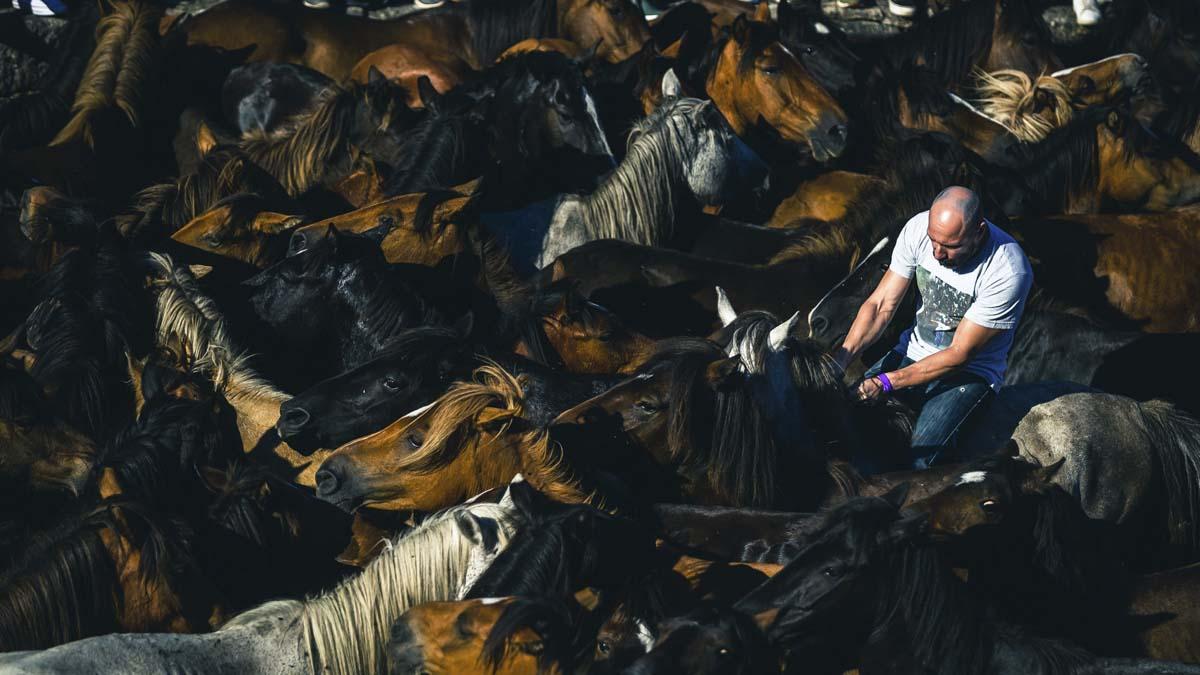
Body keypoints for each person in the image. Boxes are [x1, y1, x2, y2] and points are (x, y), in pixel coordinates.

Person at [831, 186, 1032, 471]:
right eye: (933, 240)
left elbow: (960, 353)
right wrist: (839, 361)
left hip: (968, 375)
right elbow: (880, 305)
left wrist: (884, 382)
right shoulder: (917, 229)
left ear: (979, 232)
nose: (937, 253)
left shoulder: (1008, 270)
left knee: (919, 461)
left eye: (951, 247)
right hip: (911, 351)